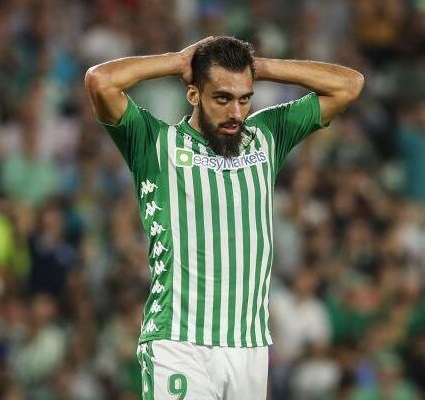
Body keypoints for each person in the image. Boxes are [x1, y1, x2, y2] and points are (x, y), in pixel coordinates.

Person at [84, 35, 363, 399]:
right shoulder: (156, 144)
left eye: (245, 98)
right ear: (193, 94)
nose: (236, 113)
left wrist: (262, 67)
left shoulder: (267, 137)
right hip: (179, 341)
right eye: (222, 98)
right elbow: (100, 81)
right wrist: (177, 61)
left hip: (249, 346)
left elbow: (350, 85)